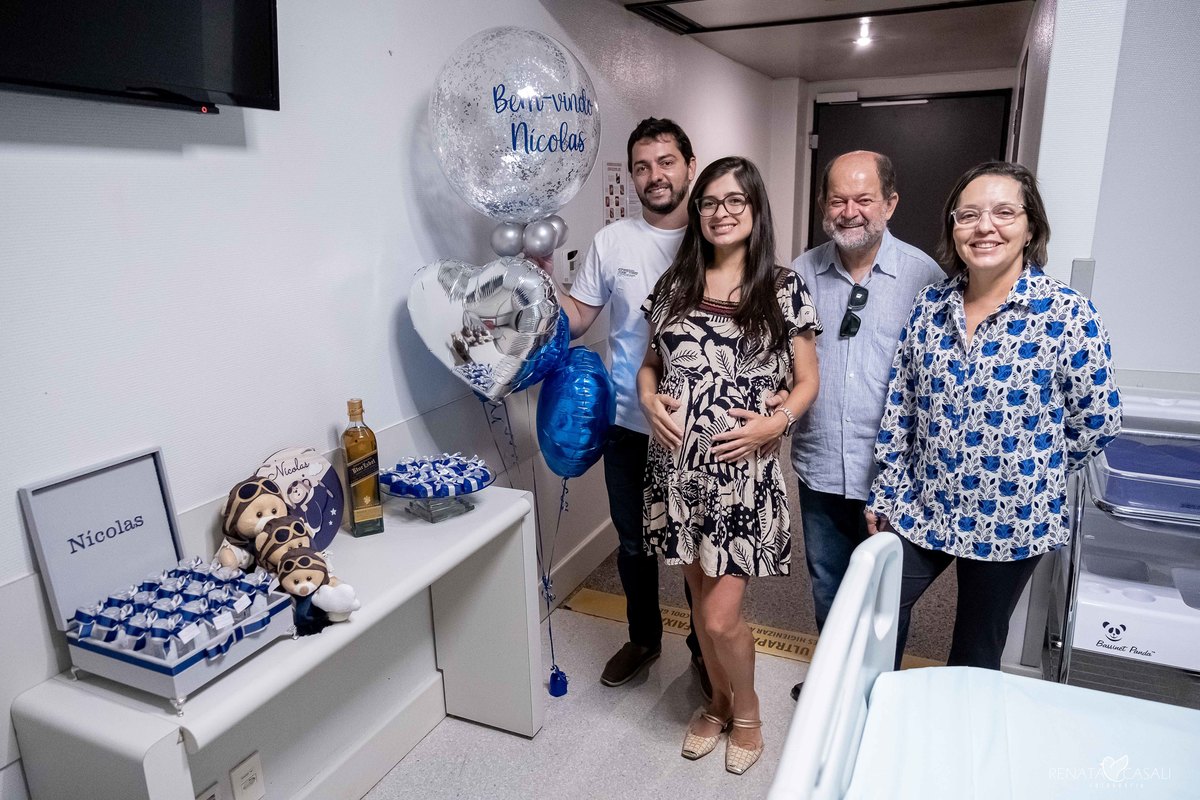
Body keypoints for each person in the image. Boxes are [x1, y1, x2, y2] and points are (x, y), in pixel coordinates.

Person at [865, 161, 1122, 670]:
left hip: (1011, 518)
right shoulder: (930, 306)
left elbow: (1098, 419)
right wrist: (887, 488)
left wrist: (1032, 467)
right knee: (876, 610)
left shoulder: (1067, 314)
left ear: (1031, 227)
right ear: (953, 228)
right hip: (924, 502)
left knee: (975, 648)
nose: (985, 227)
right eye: (968, 215)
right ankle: (878, 708)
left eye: (1004, 212)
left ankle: (960, 721)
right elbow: (902, 405)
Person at [638, 156, 820, 774]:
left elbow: (807, 380)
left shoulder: (783, 288)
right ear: (697, 211)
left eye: (735, 200)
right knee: (697, 603)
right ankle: (715, 703)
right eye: (710, 202)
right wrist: (646, 400)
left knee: (720, 618)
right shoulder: (674, 284)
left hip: (741, 479)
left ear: (755, 209)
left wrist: (777, 422)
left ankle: (748, 711)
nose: (721, 212)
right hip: (677, 473)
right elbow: (650, 367)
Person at [558, 118, 710, 694]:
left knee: (699, 544)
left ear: (690, 166)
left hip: (700, 427)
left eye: (666, 162)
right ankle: (644, 638)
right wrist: (540, 283)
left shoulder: (715, 235)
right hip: (626, 421)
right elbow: (579, 317)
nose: (655, 176)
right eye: (642, 167)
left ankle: (705, 648)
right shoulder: (612, 242)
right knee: (633, 542)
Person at [788, 151, 944, 700]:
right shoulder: (800, 274)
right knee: (828, 583)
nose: (849, 211)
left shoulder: (925, 278)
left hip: (893, 477)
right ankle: (833, 688)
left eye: (864, 199)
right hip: (820, 465)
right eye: (838, 200)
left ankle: (878, 694)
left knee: (886, 595)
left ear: (890, 204)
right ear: (823, 205)